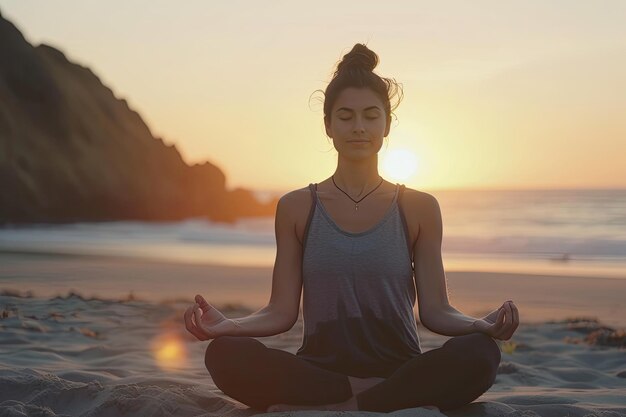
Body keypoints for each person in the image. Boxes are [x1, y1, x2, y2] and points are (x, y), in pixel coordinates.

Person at [183, 43, 519, 413]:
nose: (359, 127)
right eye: (345, 116)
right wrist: (229, 326)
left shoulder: (419, 207)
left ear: (386, 124)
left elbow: (437, 311)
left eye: (370, 116)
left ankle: (355, 400)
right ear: (328, 125)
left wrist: (480, 325)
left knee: (480, 353)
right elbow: (280, 311)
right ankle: (367, 398)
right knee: (225, 354)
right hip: (319, 371)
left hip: (400, 368)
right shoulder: (296, 207)